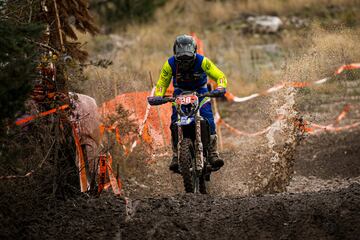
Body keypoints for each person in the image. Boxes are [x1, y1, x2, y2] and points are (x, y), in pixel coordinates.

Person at [154, 34, 227, 173]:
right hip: (180, 93)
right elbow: (161, 84)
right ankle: (176, 155)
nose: (185, 63)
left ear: (194, 52)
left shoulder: (202, 61)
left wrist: (221, 87)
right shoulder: (170, 64)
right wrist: (158, 96)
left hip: (200, 92)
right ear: (176, 54)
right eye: (181, 60)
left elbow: (220, 76)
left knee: (208, 118)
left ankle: (212, 152)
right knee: (175, 122)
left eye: (188, 59)